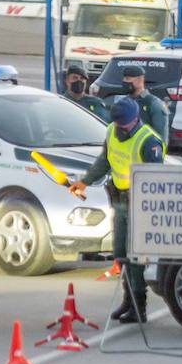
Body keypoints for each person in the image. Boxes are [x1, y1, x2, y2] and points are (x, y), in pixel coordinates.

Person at [68, 97, 165, 323]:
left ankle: (138, 307)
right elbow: (105, 161)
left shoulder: (148, 141)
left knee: (135, 256)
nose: (122, 129)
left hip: (138, 205)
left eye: (125, 125)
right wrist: (85, 181)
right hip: (119, 202)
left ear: (135, 120)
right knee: (121, 254)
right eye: (119, 124)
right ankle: (127, 300)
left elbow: (157, 180)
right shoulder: (112, 130)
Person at [121, 63, 169, 139]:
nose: (124, 81)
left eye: (127, 79)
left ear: (140, 80)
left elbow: (161, 138)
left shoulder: (153, 104)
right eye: (123, 78)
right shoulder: (123, 102)